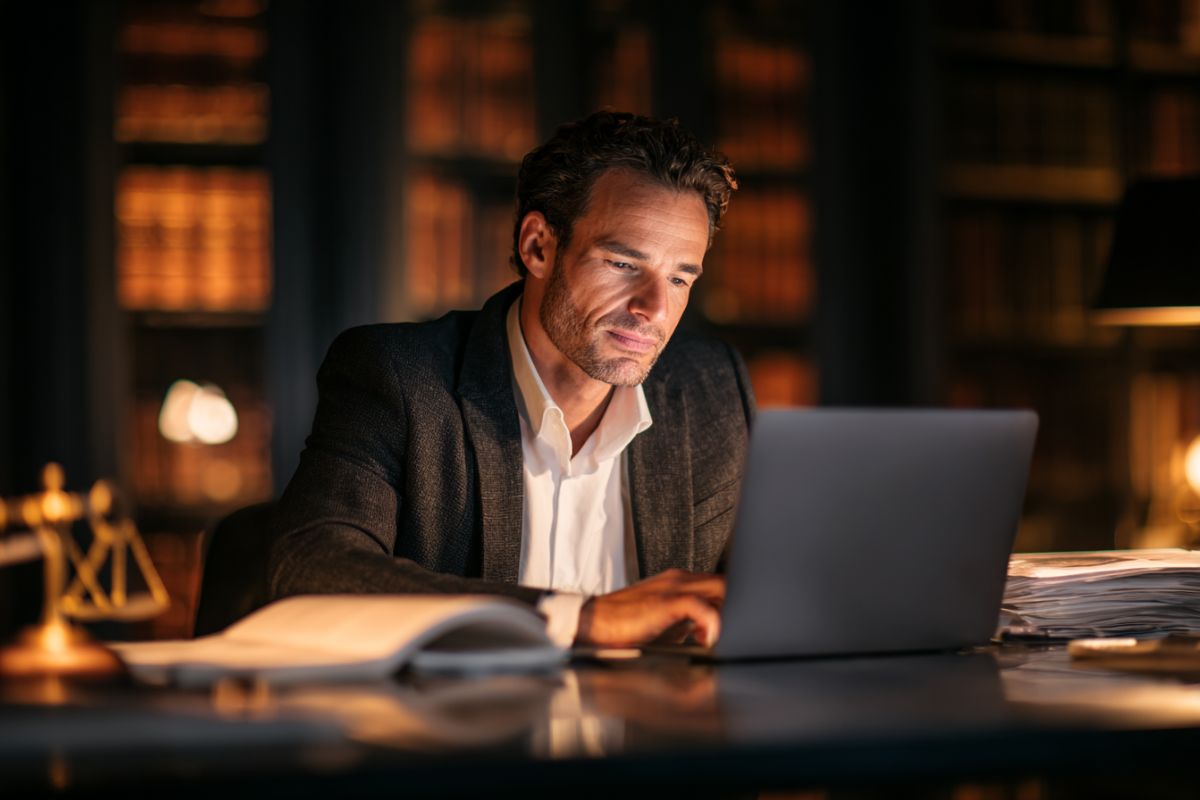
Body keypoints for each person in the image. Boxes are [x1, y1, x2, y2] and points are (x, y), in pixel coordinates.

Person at [269, 111, 754, 648]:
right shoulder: (399, 376)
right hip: (458, 726)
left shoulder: (712, 389)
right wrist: (580, 618)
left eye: (680, 277)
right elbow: (312, 571)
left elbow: (775, 591)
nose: (654, 309)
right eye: (622, 264)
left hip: (659, 728)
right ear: (538, 247)